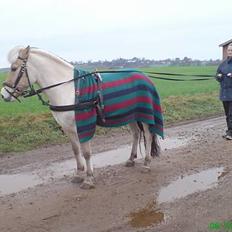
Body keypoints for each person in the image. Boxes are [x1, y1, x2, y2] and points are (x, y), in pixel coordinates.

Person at [216, 43, 232, 140]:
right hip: (224, 93)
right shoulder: (223, 64)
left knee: (231, 114)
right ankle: (229, 130)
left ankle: (230, 132)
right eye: (229, 50)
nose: (230, 52)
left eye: (231, 50)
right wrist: (219, 76)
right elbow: (217, 74)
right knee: (227, 114)